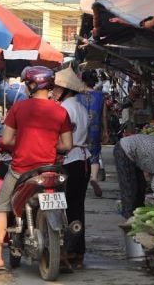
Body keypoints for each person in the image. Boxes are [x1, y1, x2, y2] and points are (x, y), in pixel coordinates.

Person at [0, 66, 73, 275]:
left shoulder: (19, 108)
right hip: (49, 170)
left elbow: (6, 140)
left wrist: (21, 142)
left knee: (1, 208)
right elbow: (67, 145)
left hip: (21, 170)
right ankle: (63, 254)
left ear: (33, 85)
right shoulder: (61, 111)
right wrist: (49, 145)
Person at [52, 66, 90, 271]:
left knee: (66, 209)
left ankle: (70, 250)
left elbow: (60, 138)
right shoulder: (80, 107)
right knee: (77, 208)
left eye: (57, 89)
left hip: (70, 160)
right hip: (81, 160)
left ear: (67, 90)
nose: (54, 92)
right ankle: (78, 252)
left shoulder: (65, 109)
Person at [113, 134, 154, 218]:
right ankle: (128, 217)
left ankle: (137, 214)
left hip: (131, 151)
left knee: (141, 186)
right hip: (125, 150)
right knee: (130, 187)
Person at [77, 69, 109, 197]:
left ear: (82, 80)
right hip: (95, 129)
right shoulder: (100, 96)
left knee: (80, 153)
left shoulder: (77, 96)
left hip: (80, 128)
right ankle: (94, 177)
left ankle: (81, 180)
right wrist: (106, 131)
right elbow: (104, 116)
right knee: (95, 155)